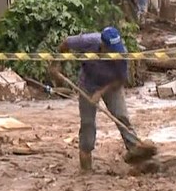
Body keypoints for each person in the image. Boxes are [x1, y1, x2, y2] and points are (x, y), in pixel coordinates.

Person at [58, 27, 148, 172]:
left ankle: (136, 151)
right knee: (87, 124)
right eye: (111, 49)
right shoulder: (88, 41)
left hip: (111, 85)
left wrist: (100, 92)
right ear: (103, 45)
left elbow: (121, 79)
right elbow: (66, 44)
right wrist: (57, 64)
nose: (114, 52)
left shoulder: (121, 53)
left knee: (121, 116)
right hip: (88, 84)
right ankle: (86, 166)